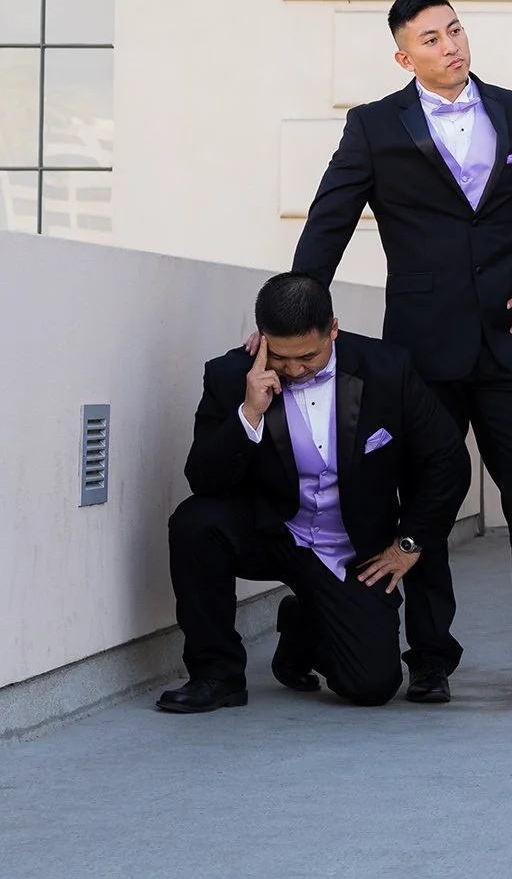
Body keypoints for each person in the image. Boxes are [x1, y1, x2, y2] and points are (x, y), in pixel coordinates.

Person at [291, 0, 512, 701]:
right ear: (404, 55)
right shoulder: (374, 127)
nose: (451, 45)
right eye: (431, 38)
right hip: (419, 355)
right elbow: (326, 228)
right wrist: (291, 320)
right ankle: (430, 661)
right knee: (425, 505)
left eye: (455, 30)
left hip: (508, 350)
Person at [158, 273, 470, 713]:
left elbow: (447, 460)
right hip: (273, 532)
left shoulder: (387, 369)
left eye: (309, 356)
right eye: (282, 358)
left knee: (371, 686)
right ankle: (216, 674)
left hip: (350, 550)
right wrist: (249, 412)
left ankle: (302, 631)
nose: (296, 370)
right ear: (262, 340)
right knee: (195, 522)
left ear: (334, 329)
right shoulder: (231, 374)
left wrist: (409, 543)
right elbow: (204, 481)